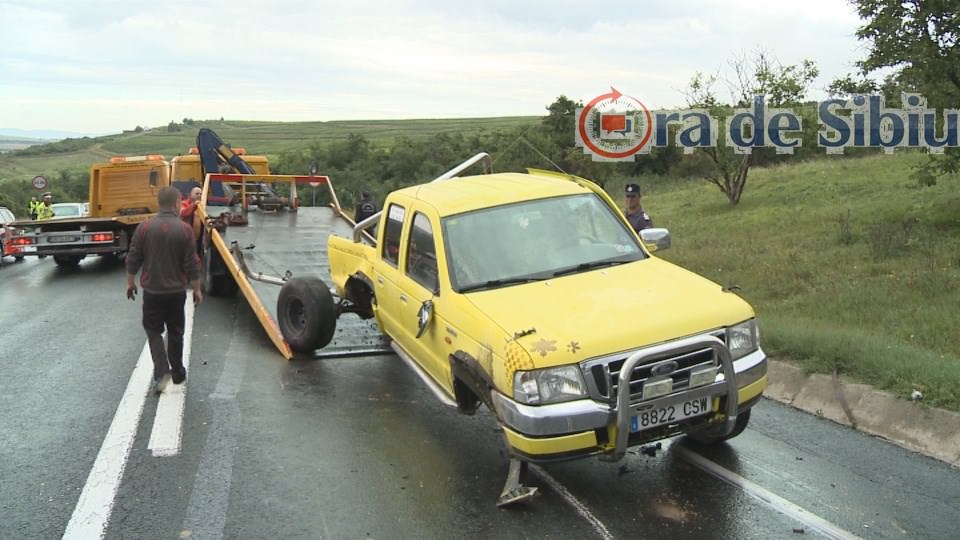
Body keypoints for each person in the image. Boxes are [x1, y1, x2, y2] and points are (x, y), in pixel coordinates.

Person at [126, 186, 203, 395]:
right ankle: (178, 372)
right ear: (177, 203)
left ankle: (161, 372)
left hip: (152, 291)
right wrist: (196, 289)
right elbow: (191, 263)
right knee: (176, 331)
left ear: (159, 203)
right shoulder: (185, 230)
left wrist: (130, 282)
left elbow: (134, 256)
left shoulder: (144, 228)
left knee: (153, 331)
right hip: (176, 291)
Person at [180, 186, 204, 255]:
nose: (199, 195)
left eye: (200, 194)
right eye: (197, 194)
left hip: (198, 240)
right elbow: (183, 213)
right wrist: (194, 205)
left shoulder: (202, 205)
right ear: (190, 195)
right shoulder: (183, 203)